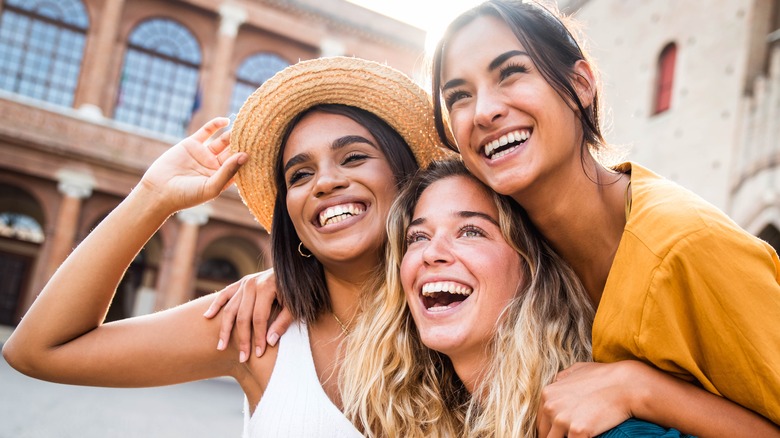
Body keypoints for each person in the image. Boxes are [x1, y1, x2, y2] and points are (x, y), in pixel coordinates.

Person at [1, 56, 448, 437]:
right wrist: (152, 197)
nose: (326, 182)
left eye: (353, 157)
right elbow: (39, 350)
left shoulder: (467, 316)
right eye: (299, 175)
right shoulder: (256, 330)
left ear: (407, 178)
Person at [429, 0, 780, 433]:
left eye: (511, 72)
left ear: (580, 85)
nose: (483, 111)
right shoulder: (509, 253)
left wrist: (640, 389)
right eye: (459, 96)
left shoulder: (687, 247)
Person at [340, 158, 776, 438]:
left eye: (470, 230)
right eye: (418, 237)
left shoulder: (608, 430)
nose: (432, 253)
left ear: (532, 268)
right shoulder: (424, 420)